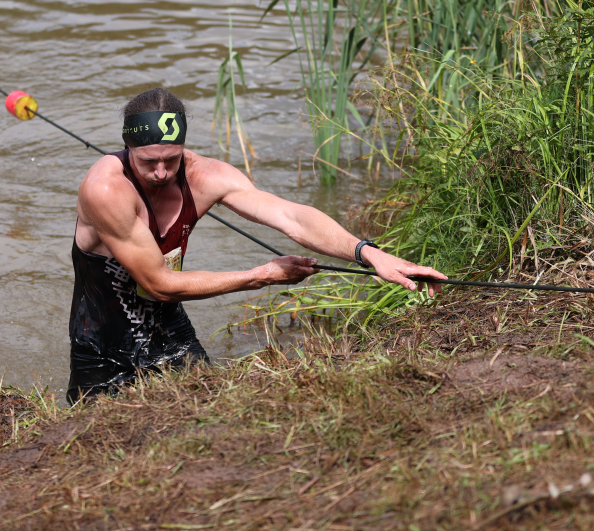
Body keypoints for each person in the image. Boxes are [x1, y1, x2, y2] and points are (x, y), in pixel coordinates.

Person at [67, 87, 446, 403]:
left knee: (206, 413)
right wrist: (262, 276)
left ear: (183, 147)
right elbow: (159, 284)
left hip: (169, 327)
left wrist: (369, 254)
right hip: (101, 338)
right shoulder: (106, 189)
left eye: (172, 158)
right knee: (97, 439)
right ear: (127, 147)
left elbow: (292, 216)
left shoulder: (205, 176)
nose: (162, 172)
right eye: (149, 161)